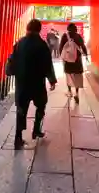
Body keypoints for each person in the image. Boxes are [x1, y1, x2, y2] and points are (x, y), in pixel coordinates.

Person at [9, 19, 57, 149]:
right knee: (41, 105)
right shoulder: (42, 45)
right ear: (39, 30)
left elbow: (12, 59)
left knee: (21, 109)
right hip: (37, 83)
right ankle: (36, 129)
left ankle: (18, 138)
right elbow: (48, 64)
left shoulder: (19, 43)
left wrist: (11, 71)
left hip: (22, 82)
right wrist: (52, 80)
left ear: (28, 28)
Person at [59, 23, 88, 103]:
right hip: (77, 60)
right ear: (75, 29)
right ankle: (77, 94)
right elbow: (83, 46)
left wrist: (62, 56)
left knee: (69, 76)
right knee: (77, 77)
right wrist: (86, 55)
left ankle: (69, 92)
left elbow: (61, 47)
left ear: (68, 28)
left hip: (68, 60)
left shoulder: (65, 36)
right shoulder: (78, 36)